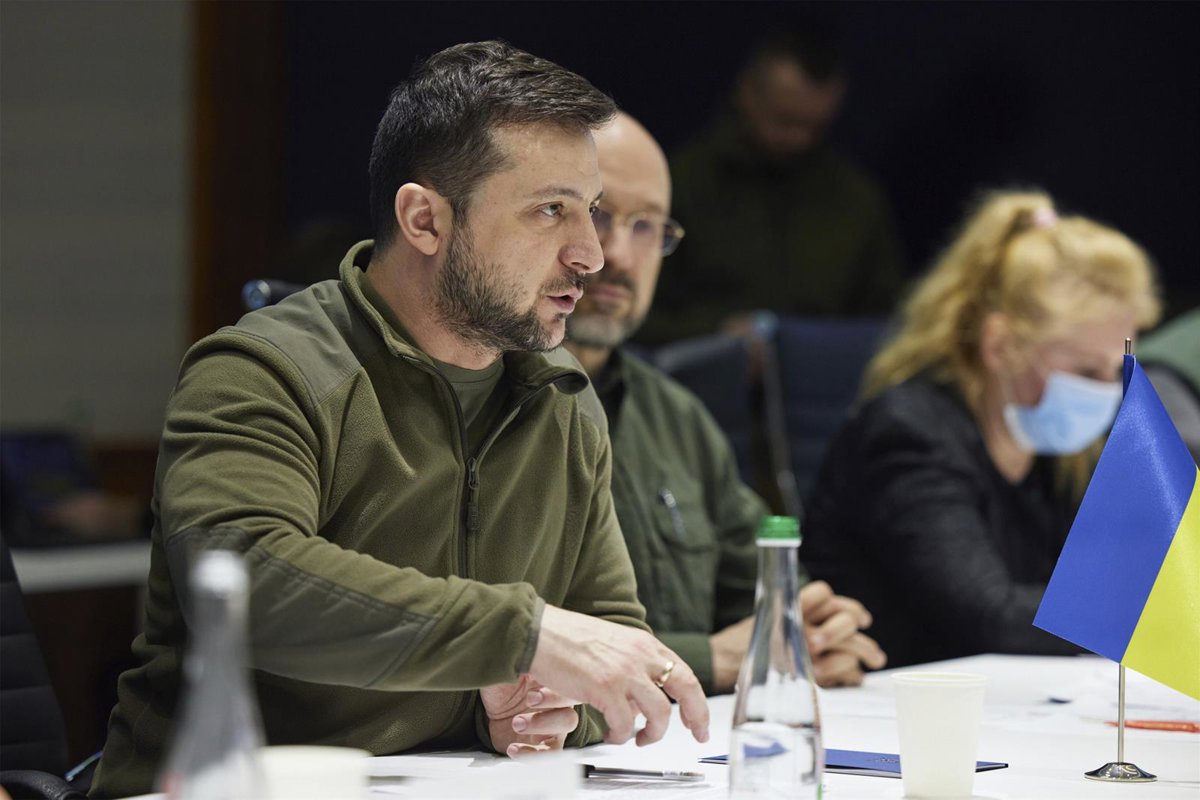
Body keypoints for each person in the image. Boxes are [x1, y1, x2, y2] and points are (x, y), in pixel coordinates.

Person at [90, 42, 710, 799]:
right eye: (552, 211)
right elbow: (245, 584)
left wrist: (546, 709)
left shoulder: (562, 395)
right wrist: (521, 637)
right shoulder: (261, 369)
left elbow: (607, 630)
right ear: (424, 220)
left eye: (592, 210)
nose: (591, 254)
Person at [564, 111, 886, 696]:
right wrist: (711, 659)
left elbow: (768, 593)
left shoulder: (677, 416)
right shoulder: (484, 399)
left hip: (687, 741)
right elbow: (505, 638)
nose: (619, 255)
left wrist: (812, 631)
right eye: (597, 215)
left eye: (647, 227)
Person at [800, 190, 1161, 668]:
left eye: (1117, 370)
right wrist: (1157, 619)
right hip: (884, 699)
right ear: (1000, 346)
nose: (1109, 392)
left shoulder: (1060, 448)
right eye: (1086, 371)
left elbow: (1112, 576)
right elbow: (990, 615)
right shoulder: (908, 432)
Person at [637, 26, 905, 345]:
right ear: (747, 92)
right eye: (785, 121)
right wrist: (715, 335)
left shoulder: (856, 200)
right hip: (701, 369)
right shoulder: (678, 185)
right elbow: (634, 315)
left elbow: (885, 323)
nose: (798, 139)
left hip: (821, 374)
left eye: (814, 127)